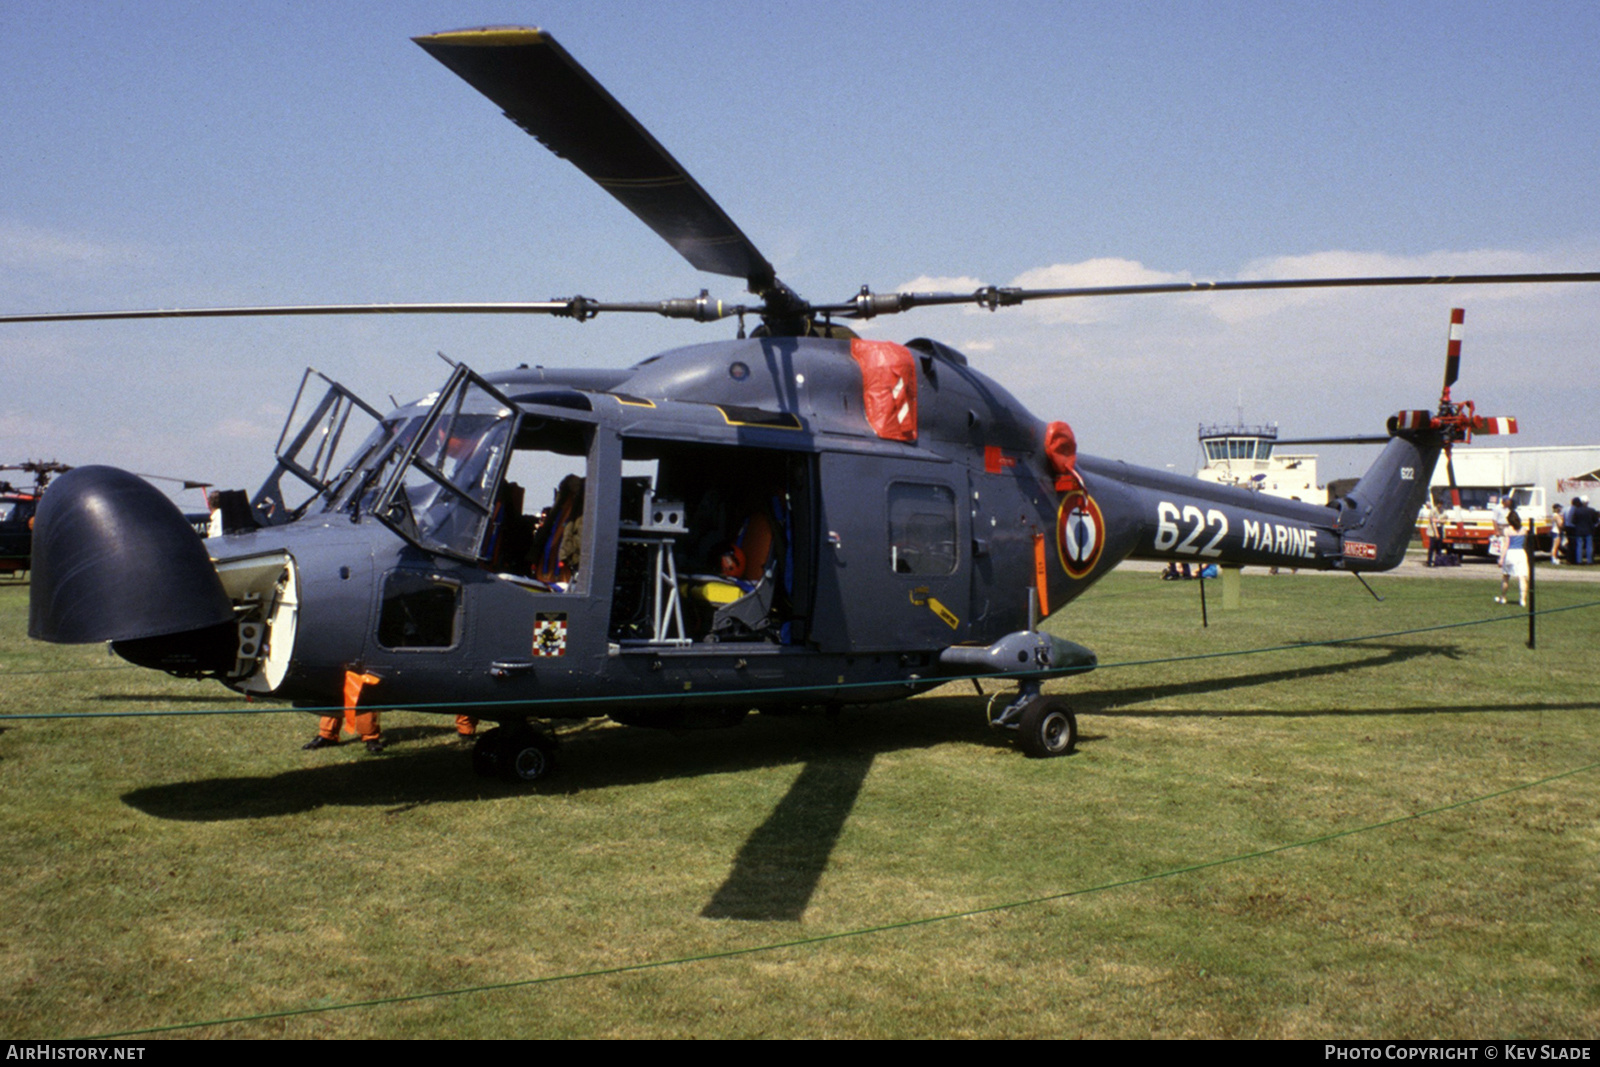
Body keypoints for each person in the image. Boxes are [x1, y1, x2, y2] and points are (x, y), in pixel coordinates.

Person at [1496, 511, 1529, 606]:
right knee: (1522, 577)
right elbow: (1525, 543)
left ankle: (1503, 597)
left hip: (1511, 553)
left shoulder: (1507, 530)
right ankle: (1523, 600)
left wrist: (1501, 558)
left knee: (1506, 576)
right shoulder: (1524, 529)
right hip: (1521, 552)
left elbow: (1506, 545)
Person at [1569, 496, 1597, 566]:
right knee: (1589, 546)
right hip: (1589, 530)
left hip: (1579, 531)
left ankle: (1579, 561)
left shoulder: (1577, 510)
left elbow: (1573, 521)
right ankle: (1589, 561)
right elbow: (1596, 521)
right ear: (1588, 502)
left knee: (1579, 546)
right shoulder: (1591, 510)